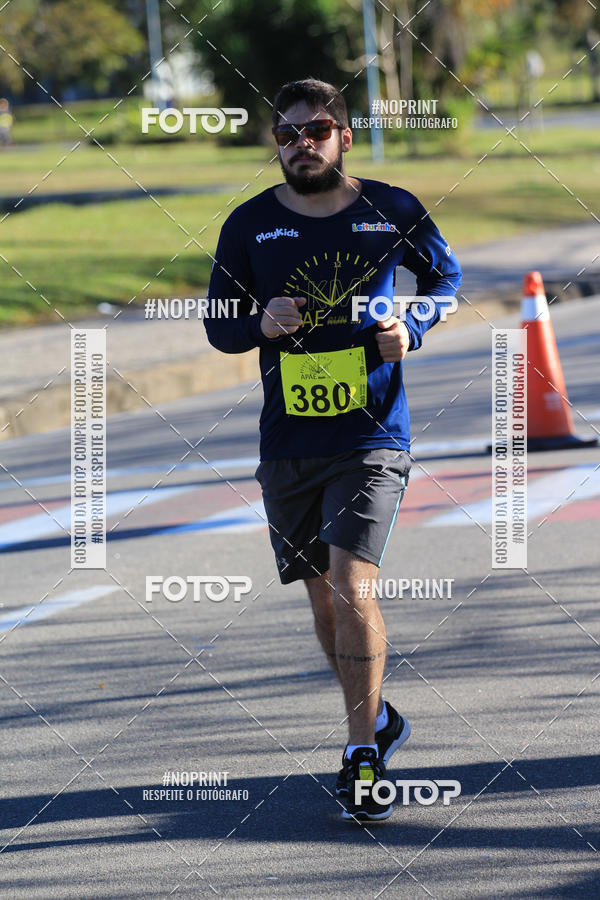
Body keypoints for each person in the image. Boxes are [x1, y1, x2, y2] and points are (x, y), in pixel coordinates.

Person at [204, 78, 461, 821]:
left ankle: (360, 754)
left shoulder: (393, 208)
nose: (301, 145)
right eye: (286, 134)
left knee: (352, 584)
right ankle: (375, 715)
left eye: (315, 130)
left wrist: (413, 326)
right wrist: (259, 323)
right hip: (289, 439)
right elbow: (219, 324)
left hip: (371, 434)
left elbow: (444, 278)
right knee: (322, 594)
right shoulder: (250, 224)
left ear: (344, 137)